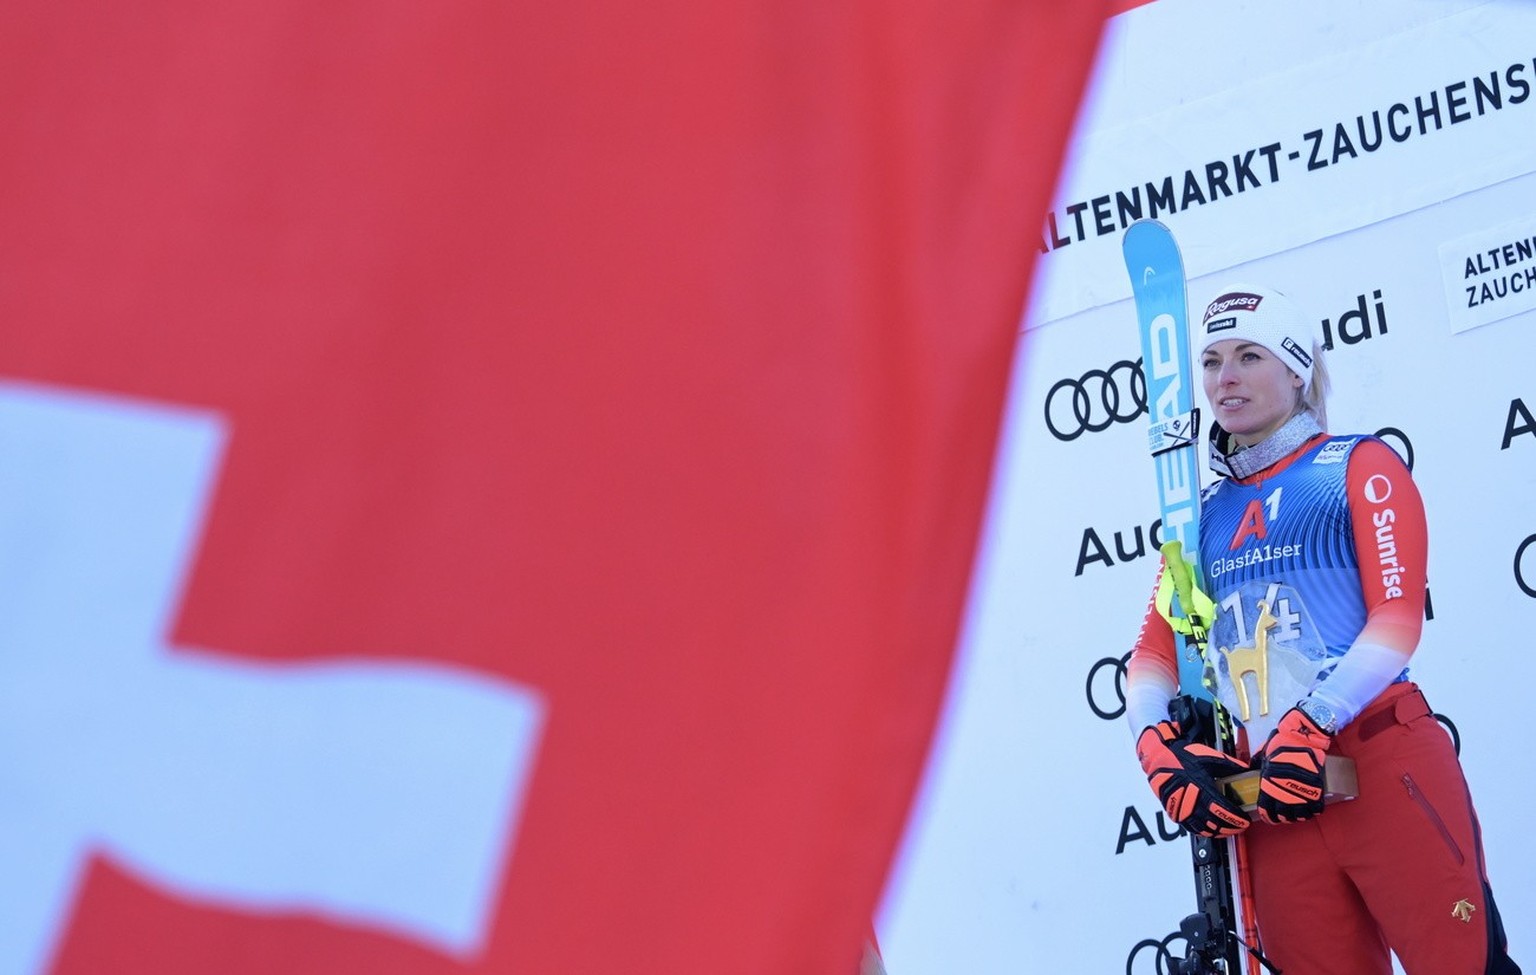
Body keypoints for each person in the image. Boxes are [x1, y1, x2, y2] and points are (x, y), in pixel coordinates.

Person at [1125, 283, 1521, 975]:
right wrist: (1156, 747)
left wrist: (1312, 721)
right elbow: (1152, 658)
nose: (1227, 377)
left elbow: (1396, 620)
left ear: (1298, 369)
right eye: (1213, 361)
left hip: (1377, 761)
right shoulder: (1198, 521)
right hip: (1272, 797)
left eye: (1250, 355)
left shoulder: (1355, 467)